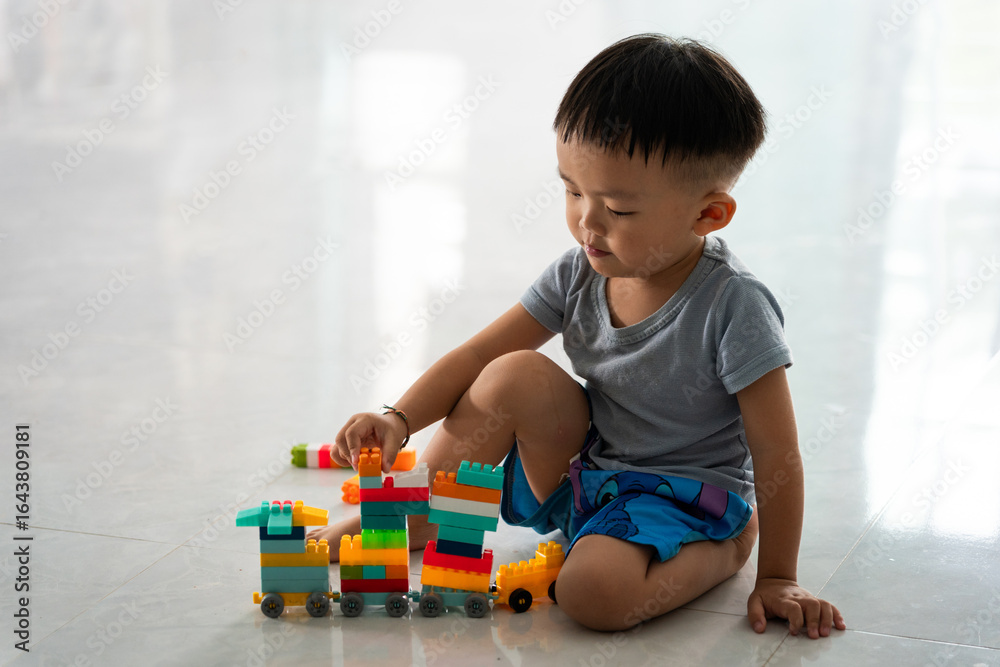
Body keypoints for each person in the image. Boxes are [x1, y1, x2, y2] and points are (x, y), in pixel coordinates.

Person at [310, 33, 845, 637]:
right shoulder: (580, 271)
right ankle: (418, 513)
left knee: (591, 595)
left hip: (683, 500)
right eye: (572, 190)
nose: (586, 222)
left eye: (618, 209)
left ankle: (726, 547)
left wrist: (777, 575)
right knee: (510, 372)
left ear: (707, 214)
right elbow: (479, 353)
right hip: (588, 473)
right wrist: (399, 418)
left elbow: (777, 453)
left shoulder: (734, 305)